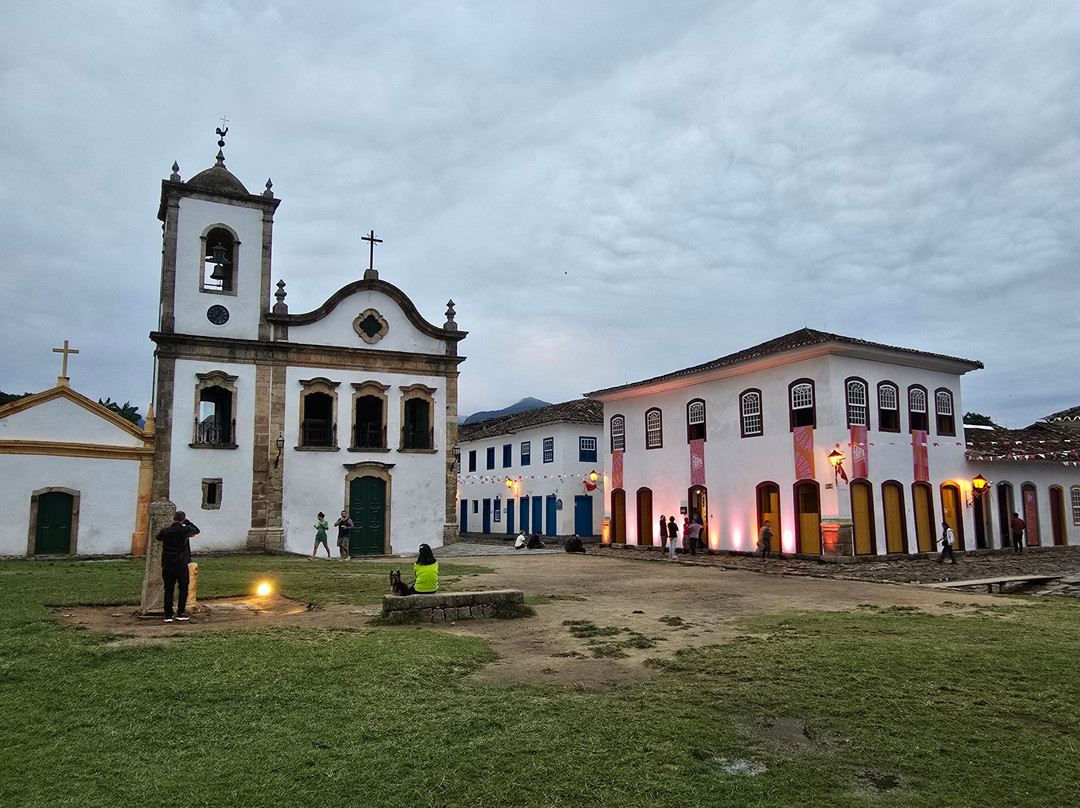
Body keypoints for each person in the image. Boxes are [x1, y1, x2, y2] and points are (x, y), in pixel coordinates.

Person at [155, 510, 199, 623]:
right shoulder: (185, 530)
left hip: (168, 564)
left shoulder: (165, 531)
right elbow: (196, 530)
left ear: (173, 519)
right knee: (183, 588)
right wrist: (187, 522)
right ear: (183, 519)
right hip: (181, 564)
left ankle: (168, 615)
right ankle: (180, 612)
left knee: (168, 589)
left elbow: (158, 537)